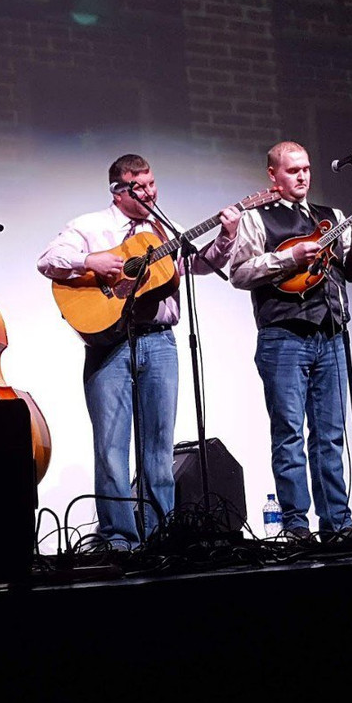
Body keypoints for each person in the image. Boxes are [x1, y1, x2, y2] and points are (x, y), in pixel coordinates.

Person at [37, 154, 241, 550]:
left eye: (152, 183)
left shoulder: (166, 229)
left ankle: (160, 535)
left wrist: (227, 236)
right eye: (140, 187)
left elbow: (198, 263)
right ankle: (119, 540)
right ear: (119, 190)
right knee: (112, 448)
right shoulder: (89, 226)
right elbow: (47, 261)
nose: (150, 192)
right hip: (110, 343)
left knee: (160, 448)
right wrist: (89, 259)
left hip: (161, 341)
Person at [229, 141, 352, 540]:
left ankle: (338, 524)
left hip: (330, 334)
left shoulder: (334, 218)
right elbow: (239, 273)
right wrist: (290, 259)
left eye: (306, 169)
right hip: (283, 337)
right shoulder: (257, 220)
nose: (302, 176)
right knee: (289, 434)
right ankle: (296, 527)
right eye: (292, 170)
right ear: (273, 175)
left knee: (330, 434)